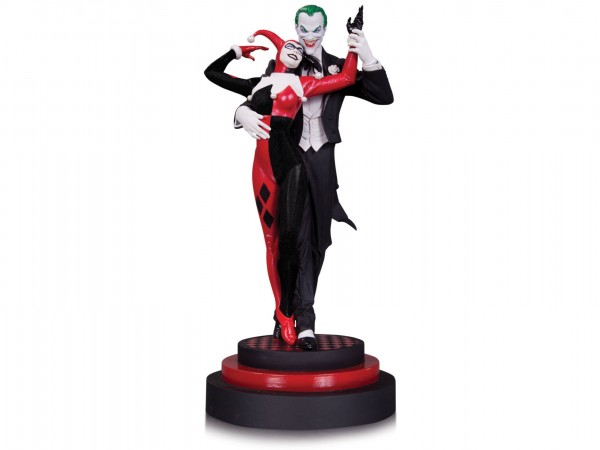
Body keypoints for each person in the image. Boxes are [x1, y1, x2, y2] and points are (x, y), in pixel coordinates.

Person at [234, 5, 394, 350]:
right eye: (303, 30)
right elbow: (254, 94)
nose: (308, 37)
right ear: (295, 28)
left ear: (325, 30)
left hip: (323, 159)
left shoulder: (339, 65)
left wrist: (365, 54)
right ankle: (301, 319)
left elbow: (383, 96)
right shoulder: (283, 61)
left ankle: (285, 312)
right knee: (291, 237)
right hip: (287, 158)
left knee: (319, 239)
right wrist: (240, 112)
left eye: (316, 30)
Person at [205, 23, 359, 346]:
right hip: (262, 169)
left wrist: (354, 46)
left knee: (289, 239)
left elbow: (346, 78)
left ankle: (289, 312)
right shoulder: (256, 83)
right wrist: (237, 54)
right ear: (279, 52)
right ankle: (280, 311)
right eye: (290, 46)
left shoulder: (303, 84)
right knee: (271, 243)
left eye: (299, 50)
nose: (295, 51)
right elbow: (212, 73)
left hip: (291, 166)